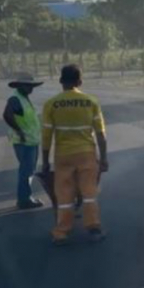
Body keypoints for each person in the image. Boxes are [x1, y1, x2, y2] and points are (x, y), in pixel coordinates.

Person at [40, 65, 109, 245]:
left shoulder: (51, 104)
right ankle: (93, 228)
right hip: (86, 154)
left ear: (61, 81)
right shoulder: (91, 101)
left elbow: (46, 135)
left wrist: (45, 161)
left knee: (63, 195)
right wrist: (104, 158)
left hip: (63, 155)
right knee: (89, 193)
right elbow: (101, 134)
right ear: (80, 82)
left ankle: (61, 233)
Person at [2, 73, 44, 209]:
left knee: (28, 170)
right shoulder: (15, 99)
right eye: (27, 86)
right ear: (20, 85)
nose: (30, 88)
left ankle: (25, 197)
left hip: (30, 140)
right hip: (24, 140)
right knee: (26, 171)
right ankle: (24, 199)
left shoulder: (23, 98)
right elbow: (7, 115)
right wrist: (19, 131)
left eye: (31, 86)